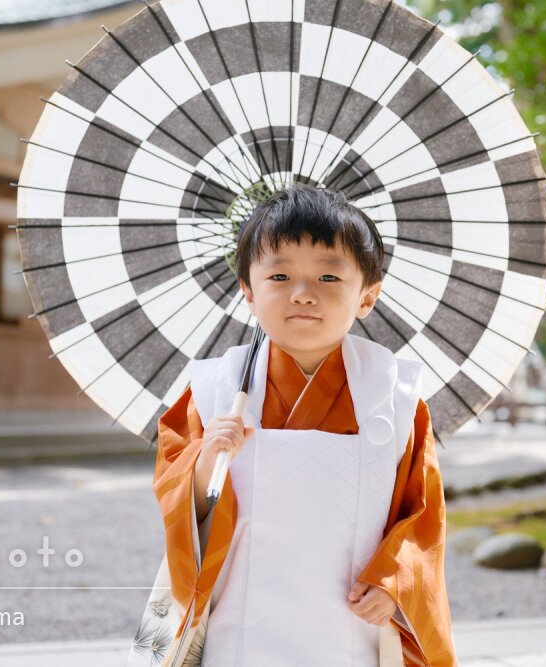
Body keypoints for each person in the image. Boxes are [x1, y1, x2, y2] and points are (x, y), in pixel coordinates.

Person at [138, 184, 456, 666]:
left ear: (367, 296)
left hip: (351, 619)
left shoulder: (396, 396)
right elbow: (173, 493)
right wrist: (205, 464)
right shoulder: (214, 390)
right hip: (240, 624)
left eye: (329, 277)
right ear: (248, 291)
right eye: (280, 275)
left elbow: (422, 514)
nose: (304, 294)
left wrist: (395, 583)